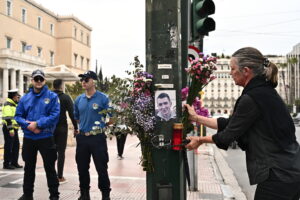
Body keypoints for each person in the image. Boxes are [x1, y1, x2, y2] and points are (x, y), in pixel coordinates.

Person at [185, 47, 300, 200]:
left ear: (246, 71)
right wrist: (197, 118)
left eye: (232, 69)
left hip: (277, 174)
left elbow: (227, 136)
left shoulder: (252, 98)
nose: (230, 73)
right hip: (290, 170)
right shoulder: (265, 92)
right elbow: (231, 124)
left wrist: (200, 140)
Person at [15, 69, 60, 200]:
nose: (39, 81)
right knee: (28, 168)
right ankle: (27, 195)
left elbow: (54, 115)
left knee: (50, 168)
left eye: (41, 79)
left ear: (44, 80)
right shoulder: (25, 98)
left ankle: (54, 196)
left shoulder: (52, 97)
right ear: (32, 80)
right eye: (36, 79)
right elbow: (18, 116)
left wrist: (38, 124)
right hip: (29, 138)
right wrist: (29, 125)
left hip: (45, 137)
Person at [74, 70, 112, 200]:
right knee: (82, 168)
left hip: (98, 138)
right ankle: (84, 194)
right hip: (83, 138)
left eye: (86, 79)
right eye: (82, 80)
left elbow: (113, 117)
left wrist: (102, 127)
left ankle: (105, 195)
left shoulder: (103, 98)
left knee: (101, 168)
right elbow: (77, 118)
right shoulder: (79, 99)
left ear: (93, 81)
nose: (83, 82)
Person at [52, 79, 78, 183]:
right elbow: (72, 114)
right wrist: (76, 127)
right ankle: (60, 176)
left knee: (51, 152)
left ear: (53, 86)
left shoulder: (48, 97)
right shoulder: (66, 97)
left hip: (50, 128)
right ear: (62, 86)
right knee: (61, 152)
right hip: (62, 128)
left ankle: (51, 175)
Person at [2, 89, 22, 169]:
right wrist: (11, 130)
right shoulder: (8, 105)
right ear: (13, 97)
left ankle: (14, 162)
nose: (18, 98)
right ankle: (7, 164)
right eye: (17, 97)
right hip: (9, 129)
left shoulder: (14, 104)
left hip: (14, 129)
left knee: (16, 146)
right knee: (9, 147)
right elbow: (8, 118)